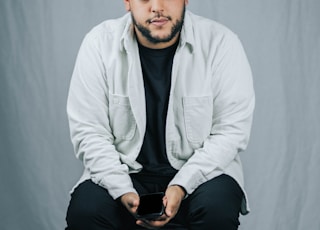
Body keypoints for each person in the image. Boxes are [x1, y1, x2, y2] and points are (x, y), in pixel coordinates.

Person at [65, 0, 255, 229]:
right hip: (123, 170)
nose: (157, 6)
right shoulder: (99, 43)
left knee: (217, 212)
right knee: (86, 213)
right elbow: (89, 131)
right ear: (127, 2)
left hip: (201, 171)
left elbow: (231, 131)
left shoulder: (221, 42)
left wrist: (181, 186)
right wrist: (123, 189)